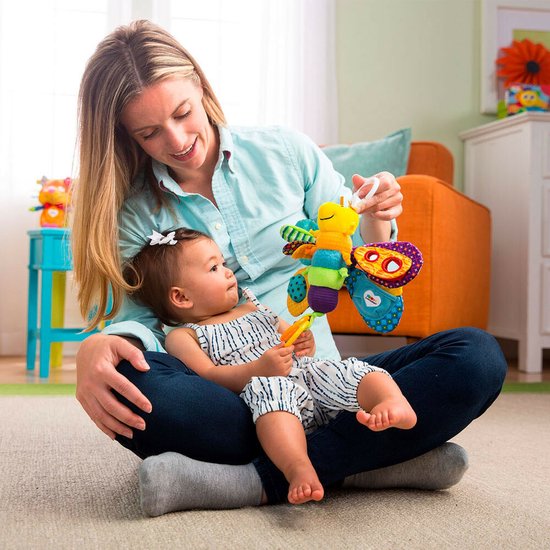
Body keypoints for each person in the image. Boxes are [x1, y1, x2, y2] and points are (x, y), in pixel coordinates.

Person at [71, 20, 507, 517]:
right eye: (149, 133)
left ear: (198, 84)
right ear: (127, 136)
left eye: (182, 112)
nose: (176, 140)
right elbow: (144, 325)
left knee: (477, 358)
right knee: (137, 387)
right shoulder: (132, 212)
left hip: (328, 379)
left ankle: (257, 481)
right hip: (236, 397)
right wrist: (105, 346)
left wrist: (380, 218)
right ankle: (372, 463)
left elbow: (353, 251)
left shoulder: (286, 151)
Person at [123, 227, 418, 505]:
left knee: (345, 370)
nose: (228, 272)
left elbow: (291, 337)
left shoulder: (252, 306)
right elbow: (209, 376)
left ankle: (391, 401)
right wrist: (257, 370)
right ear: (181, 297)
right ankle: (298, 466)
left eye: (223, 263)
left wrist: (304, 342)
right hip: (265, 390)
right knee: (272, 398)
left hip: (306, 374)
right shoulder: (183, 336)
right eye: (214, 268)